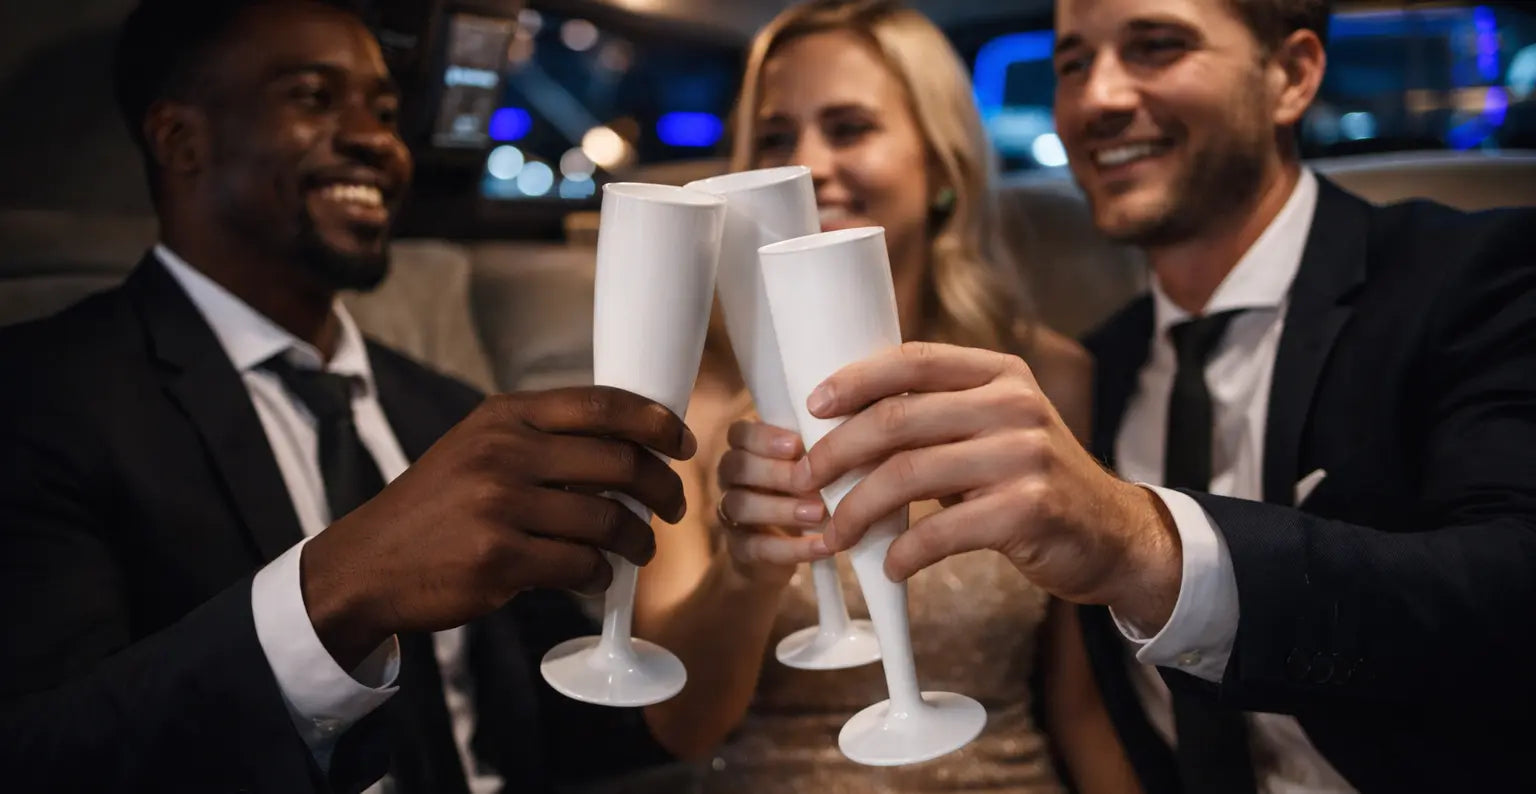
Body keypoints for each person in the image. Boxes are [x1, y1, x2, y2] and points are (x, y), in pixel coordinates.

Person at [774, 0, 1536, 791]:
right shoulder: (1088, 372)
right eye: (1072, 63)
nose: (1097, 98)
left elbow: (1509, 593)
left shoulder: (1469, 281)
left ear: (1292, 75)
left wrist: (1140, 544)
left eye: (1157, 45)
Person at [0, 1, 688, 791]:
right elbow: (38, 757)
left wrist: (744, 569)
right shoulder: (41, 396)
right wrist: (340, 587)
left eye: (386, 110)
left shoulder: (448, 411)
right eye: (313, 98)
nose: (376, 140)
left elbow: (571, 732)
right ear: (179, 139)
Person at [631, 2, 1135, 792]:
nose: (805, 166)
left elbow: (1082, 707)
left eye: (848, 128)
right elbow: (683, 728)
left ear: (941, 167)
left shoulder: (1046, 385)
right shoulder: (689, 412)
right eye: (774, 137)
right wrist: (746, 573)